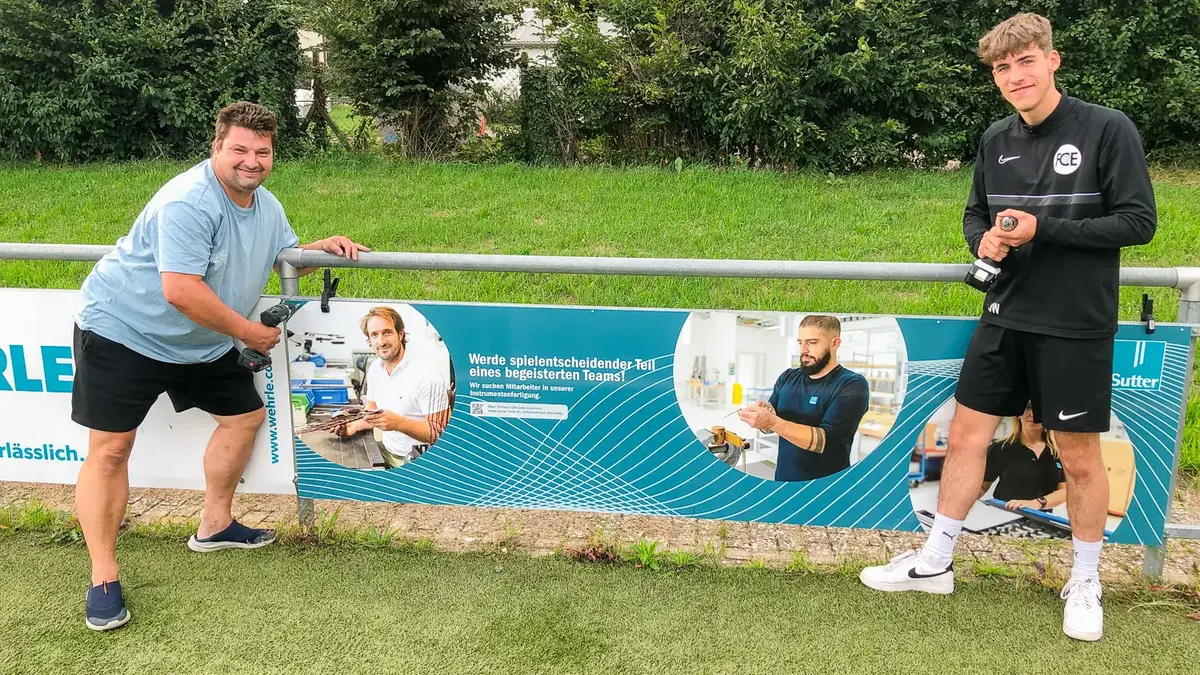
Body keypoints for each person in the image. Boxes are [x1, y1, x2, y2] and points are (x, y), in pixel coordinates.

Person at [858, 13, 1156, 643]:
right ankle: (935, 561)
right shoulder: (996, 139)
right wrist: (985, 241)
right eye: (1002, 67)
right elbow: (975, 215)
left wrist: (1044, 229)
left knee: (1078, 455)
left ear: (1052, 60)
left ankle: (1085, 579)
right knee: (967, 436)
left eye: (1025, 61)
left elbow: (1138, 223)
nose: (1015, 76)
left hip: (1074, 323)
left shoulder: (1107, 128)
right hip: (1003, 315)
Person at [71, 101, 370, 631]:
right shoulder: (188, 201)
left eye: (263, 152)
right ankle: (103, 577)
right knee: (111, 448)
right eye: (240, 149)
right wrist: (249, 333)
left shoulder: (266, 204)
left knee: (243, 418)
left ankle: (214, 525)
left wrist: (317, 249)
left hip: (201, 339)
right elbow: (181, 290)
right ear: (217, 148)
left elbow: (280, 254)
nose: (252, 161)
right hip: (124, 331)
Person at [738, 315, 870, 481]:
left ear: (835, 343)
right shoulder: (788, 377)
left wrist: (771, 421)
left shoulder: (852, 384)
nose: (803, 350)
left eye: (812, 342)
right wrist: (764, 417)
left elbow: (828, 441)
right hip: (783, 479)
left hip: (826, 487)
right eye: (800, 342)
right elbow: (770, 426)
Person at [333, 306, 452, 467]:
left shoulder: (427, 376)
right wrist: (353, 425)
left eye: (387, 332)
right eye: (374, 335)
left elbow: (441, 433)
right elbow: (371, 411)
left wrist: (399, 423)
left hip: (417, 461)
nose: (381, 342)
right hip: (386, 451)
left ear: (400, 334)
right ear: (369, 340)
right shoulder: (375, 368)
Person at [984, 402, 1067, 512]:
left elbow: (1064, 491)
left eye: (1039, 409)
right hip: (1005, 515)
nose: (1033, 414)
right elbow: (981, 487)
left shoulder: (1058, 452)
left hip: (1041, 518)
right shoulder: (1000, 448)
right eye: (1028, 408)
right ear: (1018, 414)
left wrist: (1037, 503)